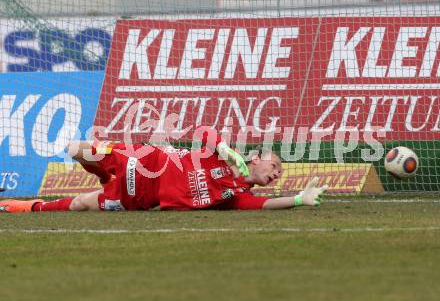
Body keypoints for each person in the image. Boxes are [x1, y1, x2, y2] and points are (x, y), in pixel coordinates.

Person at [0, 127, 327, 213]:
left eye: (279, 173)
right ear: (256, 159)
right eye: (276, 165)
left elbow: (265, 204)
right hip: (144, 161)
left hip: (142, 196)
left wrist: (299, 199)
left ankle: (26, 207)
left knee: (79, 204)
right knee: (76, 149)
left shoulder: (233, 195)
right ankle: (100, 172)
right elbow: (203, 131)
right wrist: (226, 149)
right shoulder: (223, 157)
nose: (277, 173)